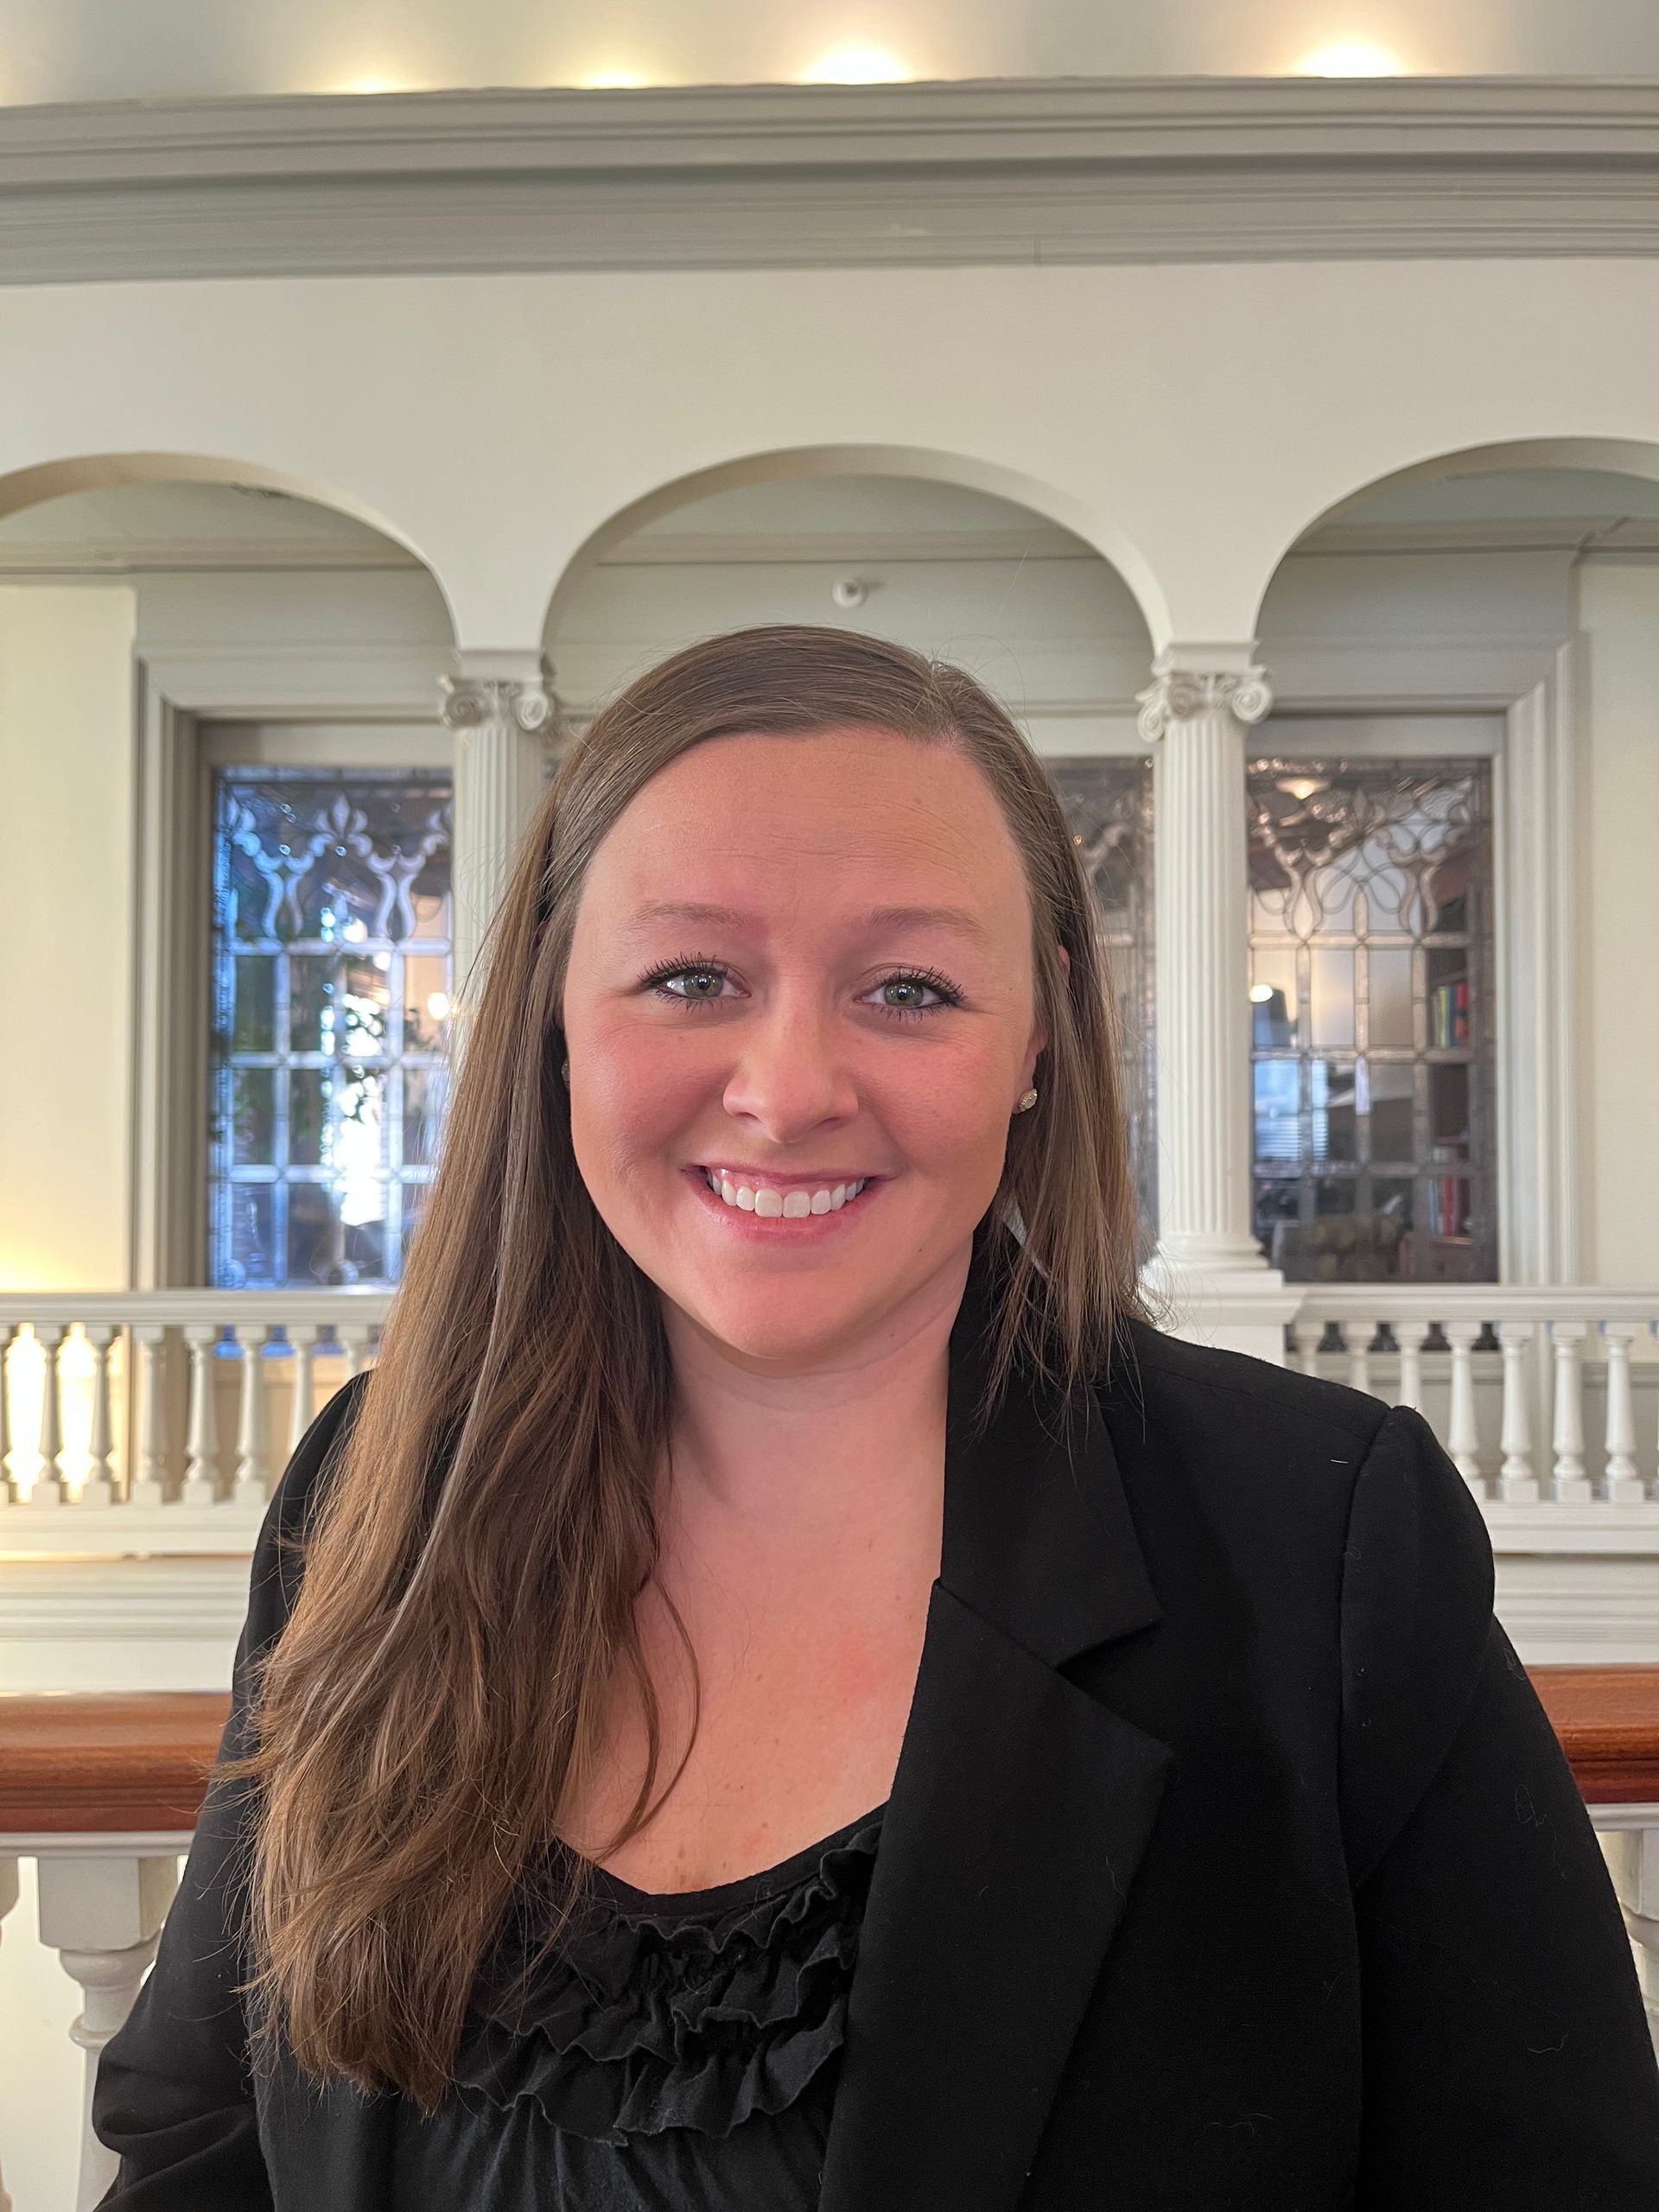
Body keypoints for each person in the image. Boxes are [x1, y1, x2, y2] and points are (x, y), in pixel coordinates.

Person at [92, 625, 1659, 2209]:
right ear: (556, 1012)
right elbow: (204, 2136)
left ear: (1037, 1036)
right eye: (692, 976)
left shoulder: (1321, 1547)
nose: (789, 1090)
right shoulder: (377, 1484)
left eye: (909, 988)